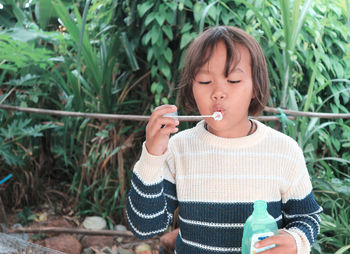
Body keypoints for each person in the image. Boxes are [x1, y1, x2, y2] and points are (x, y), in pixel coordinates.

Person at [126, 26, 322, 253]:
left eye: (234, 81)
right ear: (192, 88)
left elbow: (308, 218)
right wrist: (151, 156)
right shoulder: (178, 149)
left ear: (255, 89)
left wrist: (296, 241)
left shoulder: (284, 151)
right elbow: (144, 227)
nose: (218, 92)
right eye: (205, 82)